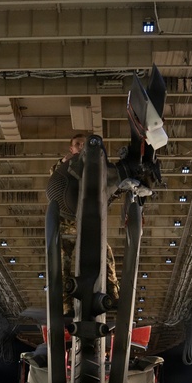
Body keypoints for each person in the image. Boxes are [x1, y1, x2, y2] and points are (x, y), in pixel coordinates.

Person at [45, 133, 119, 314]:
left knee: (106, 255)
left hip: (88, 224)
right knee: (62, 260)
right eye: (77, 144)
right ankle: (65, 304)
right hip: (67, 225)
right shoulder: (63, 167)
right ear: (71, 149)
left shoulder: (99, 168)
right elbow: (55, 179)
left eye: (83, 144)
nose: (81, 146)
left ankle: (113, 295)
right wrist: (64, 162)